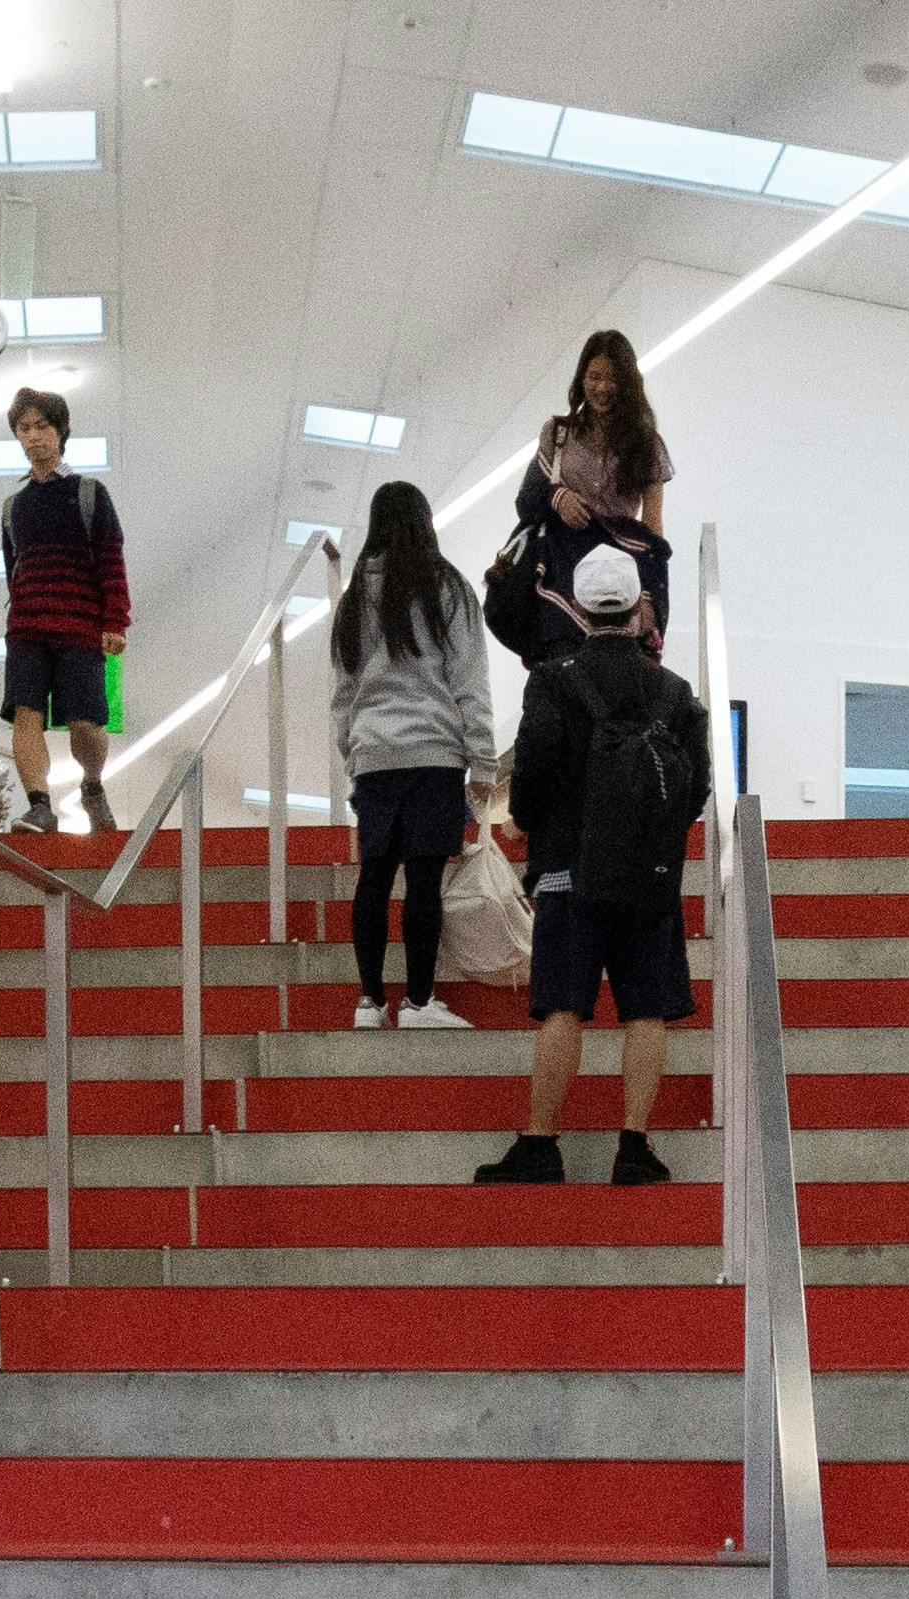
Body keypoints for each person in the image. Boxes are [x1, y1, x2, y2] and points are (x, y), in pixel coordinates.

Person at [480, 544, 706, 1187]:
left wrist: (526, 820)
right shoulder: (673, 690)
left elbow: (534, 772)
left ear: (579, 609)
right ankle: (635, 1146)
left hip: (568, 874)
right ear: (640, 608)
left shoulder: (554, 680)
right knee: (646, 1011)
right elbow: (697, 787)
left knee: (562, 1006)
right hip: (649, 878)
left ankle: (542, 1143)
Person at [327, 479, 484, 1031]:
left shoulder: (352, 601)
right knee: (423, 881)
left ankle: (369, 1002)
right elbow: (468, 679)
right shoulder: (448, 588)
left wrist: (355, 754)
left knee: (374, 876)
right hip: (435, 753)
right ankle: (419, 1002)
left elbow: (344, 693)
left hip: (375, 754)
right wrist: (483, 761)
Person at [481, 331, 674, 680]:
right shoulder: (558, 434)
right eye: (594, 377)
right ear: (581, 378)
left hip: (619, 570)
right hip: (560, 569)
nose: (602, 388)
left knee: (616, 673)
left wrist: (647, 595)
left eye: (612, 379)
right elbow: (526, 502)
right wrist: (558, 496)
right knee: (560, 666)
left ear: (627, 383)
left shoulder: (648, 445)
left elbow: (653, 528)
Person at [0, 388, 129, 834]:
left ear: (62, 431)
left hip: (80, 627)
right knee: (25, 713)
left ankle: (92, 784)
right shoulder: (14, 505)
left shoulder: (89, 493)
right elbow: (14, 567)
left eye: (42, 427)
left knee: (85, 724)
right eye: (25, 428)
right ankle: (39, 805)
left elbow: (110, 557)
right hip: (27, 629)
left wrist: (115, 621)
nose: (34, 437)